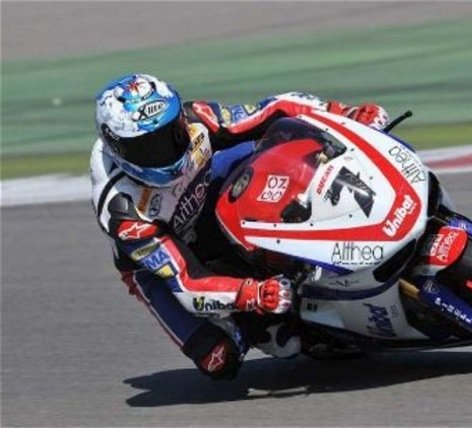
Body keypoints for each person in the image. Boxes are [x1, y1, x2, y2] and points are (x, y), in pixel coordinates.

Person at [90, 73, 389, 380]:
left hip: (207, 188)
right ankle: (293, 328)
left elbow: (272, 109)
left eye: (172, 132)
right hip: (167, 261)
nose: (170, 148)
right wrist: (253, 293)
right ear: (119, 151)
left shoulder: (196, 119)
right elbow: (188, 281)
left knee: (284, 148)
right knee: (219, 357)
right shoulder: (124, 210)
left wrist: (344, 114)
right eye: (150, 147)